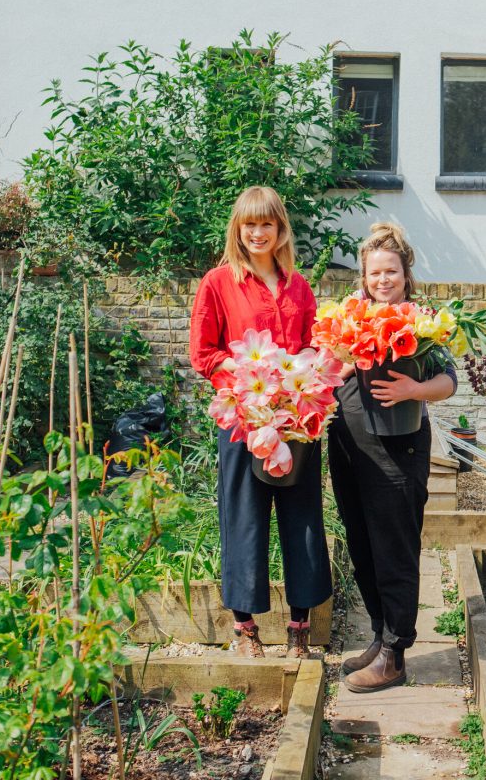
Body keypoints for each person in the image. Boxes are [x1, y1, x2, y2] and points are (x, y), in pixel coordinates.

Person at [189, 186, 332, 658]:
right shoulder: (217, 283)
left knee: (303, 520)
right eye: (249, 224)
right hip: (243, 421)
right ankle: (245, 629)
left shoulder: (298, 286)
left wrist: (298, 386)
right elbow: (204, 354)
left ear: (280, 229)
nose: (257, 233)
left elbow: (313, 351)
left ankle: (299, 628)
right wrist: (252, 376)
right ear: (238, 229)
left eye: (266, 224)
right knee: (244, 520)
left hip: (295, 423)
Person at [328, 222, 457, 693]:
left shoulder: (422, 321)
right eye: (374, 272)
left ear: (406, 273)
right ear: (363, 276)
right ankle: (380, 637)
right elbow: (335, 364)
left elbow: (449, 381)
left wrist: (414, 388)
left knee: (394, 548)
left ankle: (395, 654)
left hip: (396, 451)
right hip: (348, 447)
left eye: (391, 271)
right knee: (361, 544)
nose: (383, 280)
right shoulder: (352, 316)